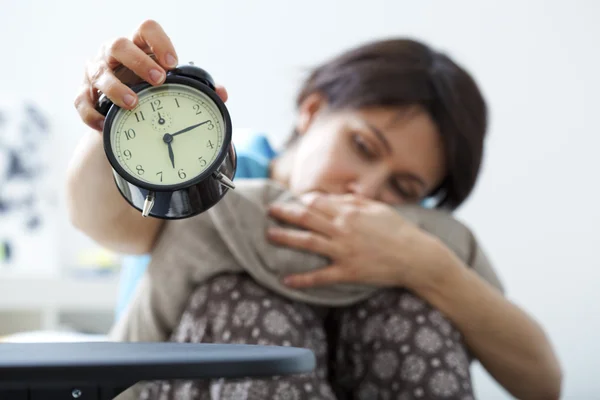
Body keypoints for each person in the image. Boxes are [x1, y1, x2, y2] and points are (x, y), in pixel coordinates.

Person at [68, 19, 562, 400]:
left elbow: (542, 382)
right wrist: (115, 119)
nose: (364, 192)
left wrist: (427, 267)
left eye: (404, 187)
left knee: (410, 315)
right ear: (312, 110)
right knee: (244, 312)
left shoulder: (419, 238)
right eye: (364, 147)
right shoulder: (203, 179)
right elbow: (98, 221)